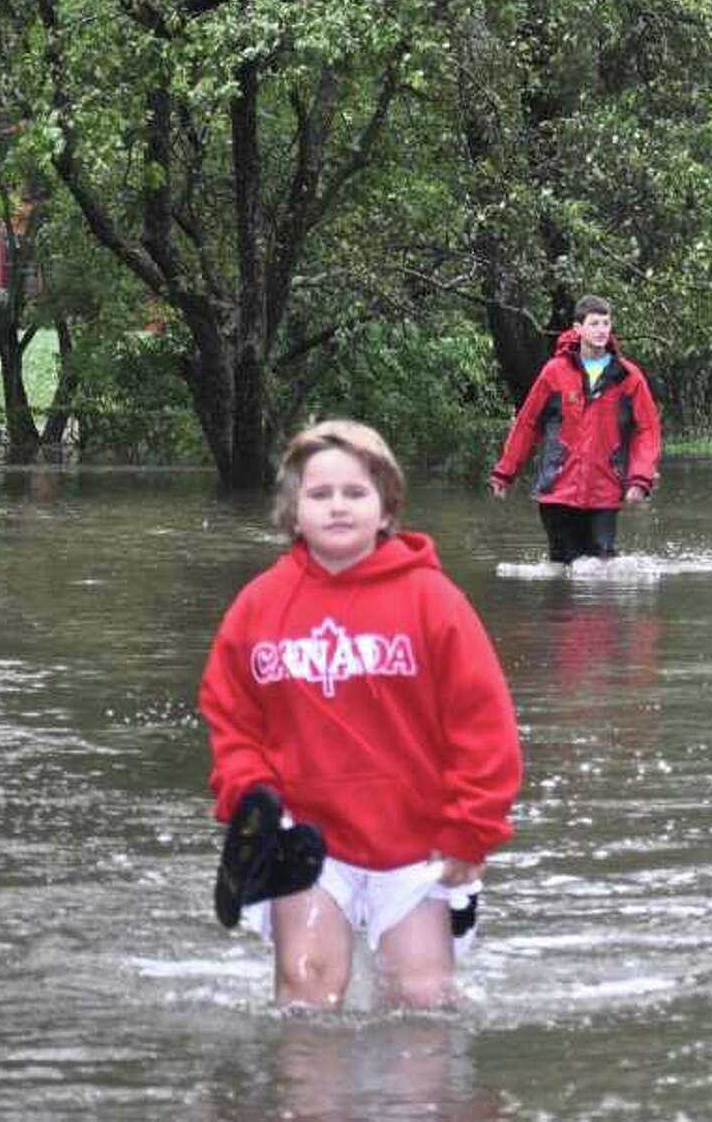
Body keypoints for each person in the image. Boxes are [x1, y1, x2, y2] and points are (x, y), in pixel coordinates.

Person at [198, 420, 523, 1010]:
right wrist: (251, 799)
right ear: (293, 512)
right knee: (306, 992)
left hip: (420, 842)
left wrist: (471, 829)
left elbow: (486, 727)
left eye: (356, 493)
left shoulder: (435, 602)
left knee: (422, 1000)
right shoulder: (258, 607)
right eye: (319, 495)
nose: (338, 506)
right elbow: (231, 716)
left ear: (386, 508)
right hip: (306, 840)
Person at [490, 296, 662, 566]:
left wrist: (640, 479)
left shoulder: (628, 377)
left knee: (602, 565)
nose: (602, 329)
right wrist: (505, 472)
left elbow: (647, 430)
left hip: (605, 490)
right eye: (594, 323)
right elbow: (528, 423)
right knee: (563, 567)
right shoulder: (554, 372)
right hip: (557, 490)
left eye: (606, 323)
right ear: (578, 328)